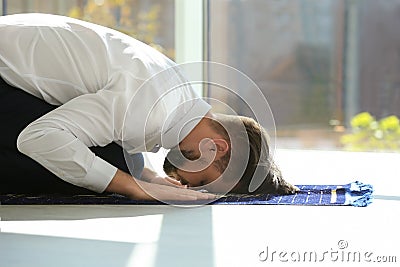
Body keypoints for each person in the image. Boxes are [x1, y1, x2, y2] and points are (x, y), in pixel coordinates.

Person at [0, 13, 297, 201]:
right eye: (204, 182)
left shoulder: (175, 94)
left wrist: (148, 177)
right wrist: (133, 186)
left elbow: (118, 130)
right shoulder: (147, 106)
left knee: (125, 162)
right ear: (216, 148)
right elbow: (39, 137)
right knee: (111, 168)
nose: (189, 186)